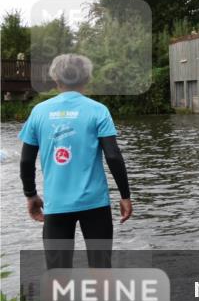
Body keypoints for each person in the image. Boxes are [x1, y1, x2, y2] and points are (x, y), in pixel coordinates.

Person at [18, 54, 132, 269]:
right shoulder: (98, 110)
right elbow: (113, 156)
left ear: (55, 79)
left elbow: (26, 161)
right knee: (101, 270)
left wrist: (31, 194)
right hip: (95, 204)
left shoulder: (39, 112)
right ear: (87, 78)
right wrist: (125, 196)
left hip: (56, 205)